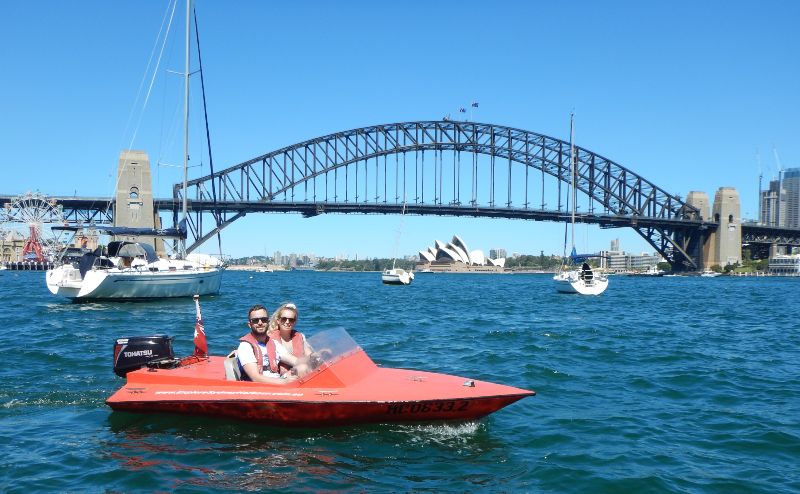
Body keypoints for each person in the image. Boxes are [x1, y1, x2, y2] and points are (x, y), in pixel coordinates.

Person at [236, 304, 296, 383]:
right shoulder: (245, 347)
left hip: (278, 383)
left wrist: (307, 364)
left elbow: (294, 361)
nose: (260, 323)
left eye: (263, 319)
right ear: (249, 325)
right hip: (261, 389)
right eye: (255, 320)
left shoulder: (273, 343)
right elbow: (255, 378)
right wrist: (285, 382)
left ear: (268, 322)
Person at [266, 302, 313, 377]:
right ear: (278, 321)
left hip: (300, 374)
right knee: (303, 368)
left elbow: (309, 354)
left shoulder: (300, 337)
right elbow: (295, 361)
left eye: (291, 320)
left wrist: (319, 355)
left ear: (294, 322)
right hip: (280, 378)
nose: (287, 322)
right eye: (284, 319)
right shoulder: (270, 339)